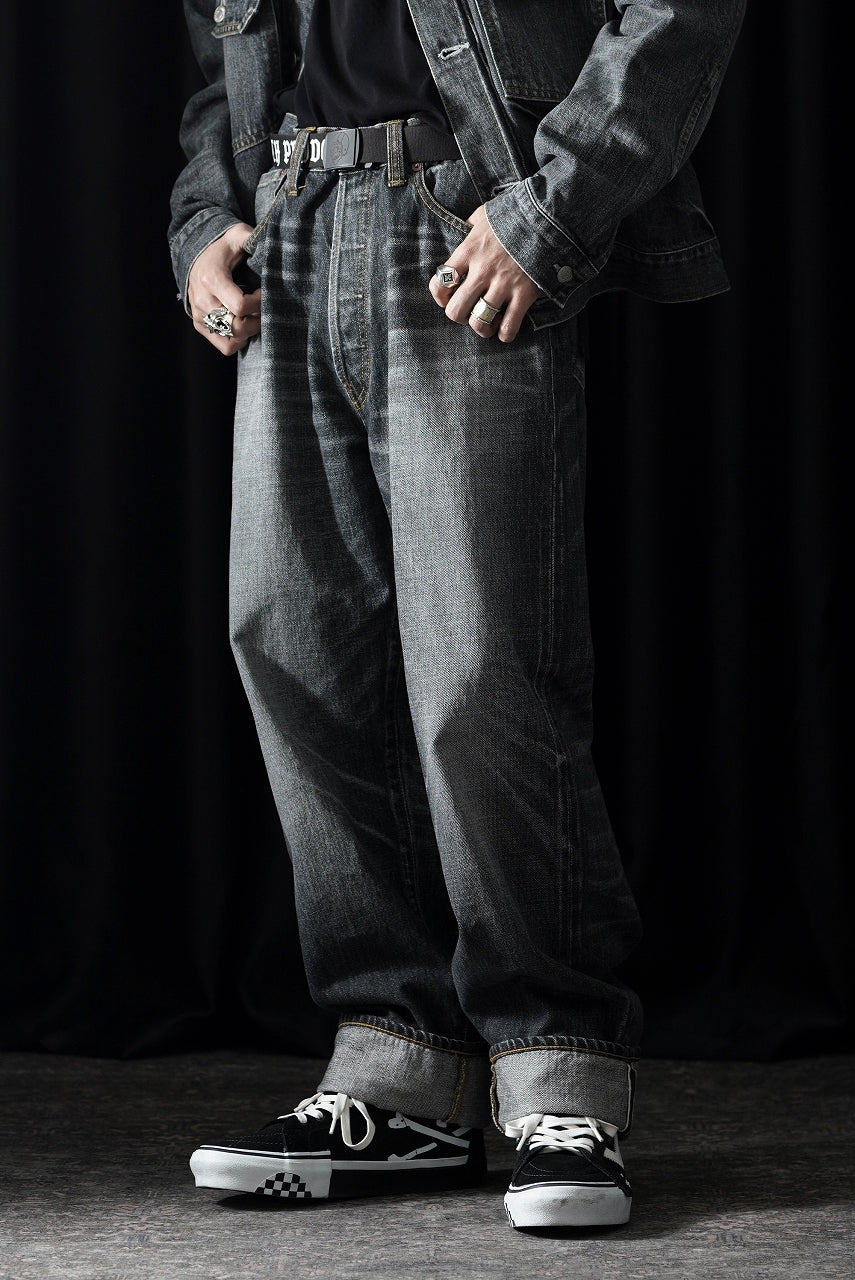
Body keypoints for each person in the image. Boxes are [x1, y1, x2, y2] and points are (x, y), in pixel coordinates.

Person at [170, 0, 744, 1229]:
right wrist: (207, 214)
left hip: (459, 209)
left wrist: (554, 207)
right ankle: (401, 1073)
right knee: (296, 650)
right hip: (292, 219)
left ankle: (559, 1073)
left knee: (483, 668)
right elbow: (222, 50)